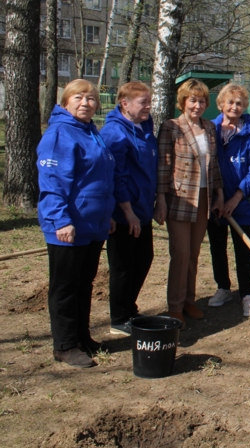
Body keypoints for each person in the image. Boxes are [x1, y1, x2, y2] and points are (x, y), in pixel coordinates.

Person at [38, 79, 116, 368]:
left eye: (91, 98)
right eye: (79, 98)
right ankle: (65, 345)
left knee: (84, 283)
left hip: (92, 225)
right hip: (67, 227)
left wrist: (105, 215)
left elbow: (100, 179)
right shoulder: (60, 134)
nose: (86, 103)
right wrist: (61, 219)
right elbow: (53, 182)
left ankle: (82, 337)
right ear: (65, 102)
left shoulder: (90, 132)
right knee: (65, 286)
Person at [156, 79, 225, 328]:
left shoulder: (209, 127)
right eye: (192, 100)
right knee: (181, 254)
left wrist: (219, 194)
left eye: (202, 100)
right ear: (183, 101)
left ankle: (189, 301)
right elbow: (163, 166)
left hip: (204, 198)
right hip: (180, 198)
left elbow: (214, 164)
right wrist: (161, 200)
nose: (197, 105)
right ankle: (174, 307)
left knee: (194, 253)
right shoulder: (171, 127)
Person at [100, 81, 157, 337]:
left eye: (149, 101)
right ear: (125, 104)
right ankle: (119, 318)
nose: (148, 106)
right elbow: (117, 176)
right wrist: (127, 211)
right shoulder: (114, 133)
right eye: (142, 102)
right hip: (124, 213)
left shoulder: (145, 126)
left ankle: (129, 308)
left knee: (143, 258)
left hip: (142, 207)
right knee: (123, 265)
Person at [206, 83, 250, 317]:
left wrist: (238, 196)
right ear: (221, 104)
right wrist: (218, 198)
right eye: (230, 102)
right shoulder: (209, 130)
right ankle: (223, 287)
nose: (234, 106)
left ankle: (247, 294)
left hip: (243, 201)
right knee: (217, 247)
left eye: (239, 103)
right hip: (215, 202)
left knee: (244, 249)